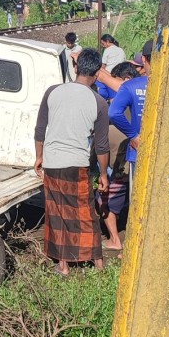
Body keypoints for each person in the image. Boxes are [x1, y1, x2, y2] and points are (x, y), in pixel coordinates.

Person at [34, 48, 110, 276]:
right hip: (78, 164)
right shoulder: (99, 102)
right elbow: (102, 145)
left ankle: (63, 266)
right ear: (97, 73)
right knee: (85, 212)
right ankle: (98, 263)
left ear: (76, 68)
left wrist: (39, 156)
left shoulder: (52, 92)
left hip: (53, 162)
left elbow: (40, 130)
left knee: (57, 213)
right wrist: (104, 175)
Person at [98, 61, 136, 251]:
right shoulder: (141, 101)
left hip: (125, 167)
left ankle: (115, 239)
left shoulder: (123, 104)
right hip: (130, 166)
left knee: (104, 201)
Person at [107, 40, 152, 193]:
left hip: (139, 151)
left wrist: (133, 135)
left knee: (138, 198)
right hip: (166, 153)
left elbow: (113, 112)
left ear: (144, 59)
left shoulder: (131, 86)